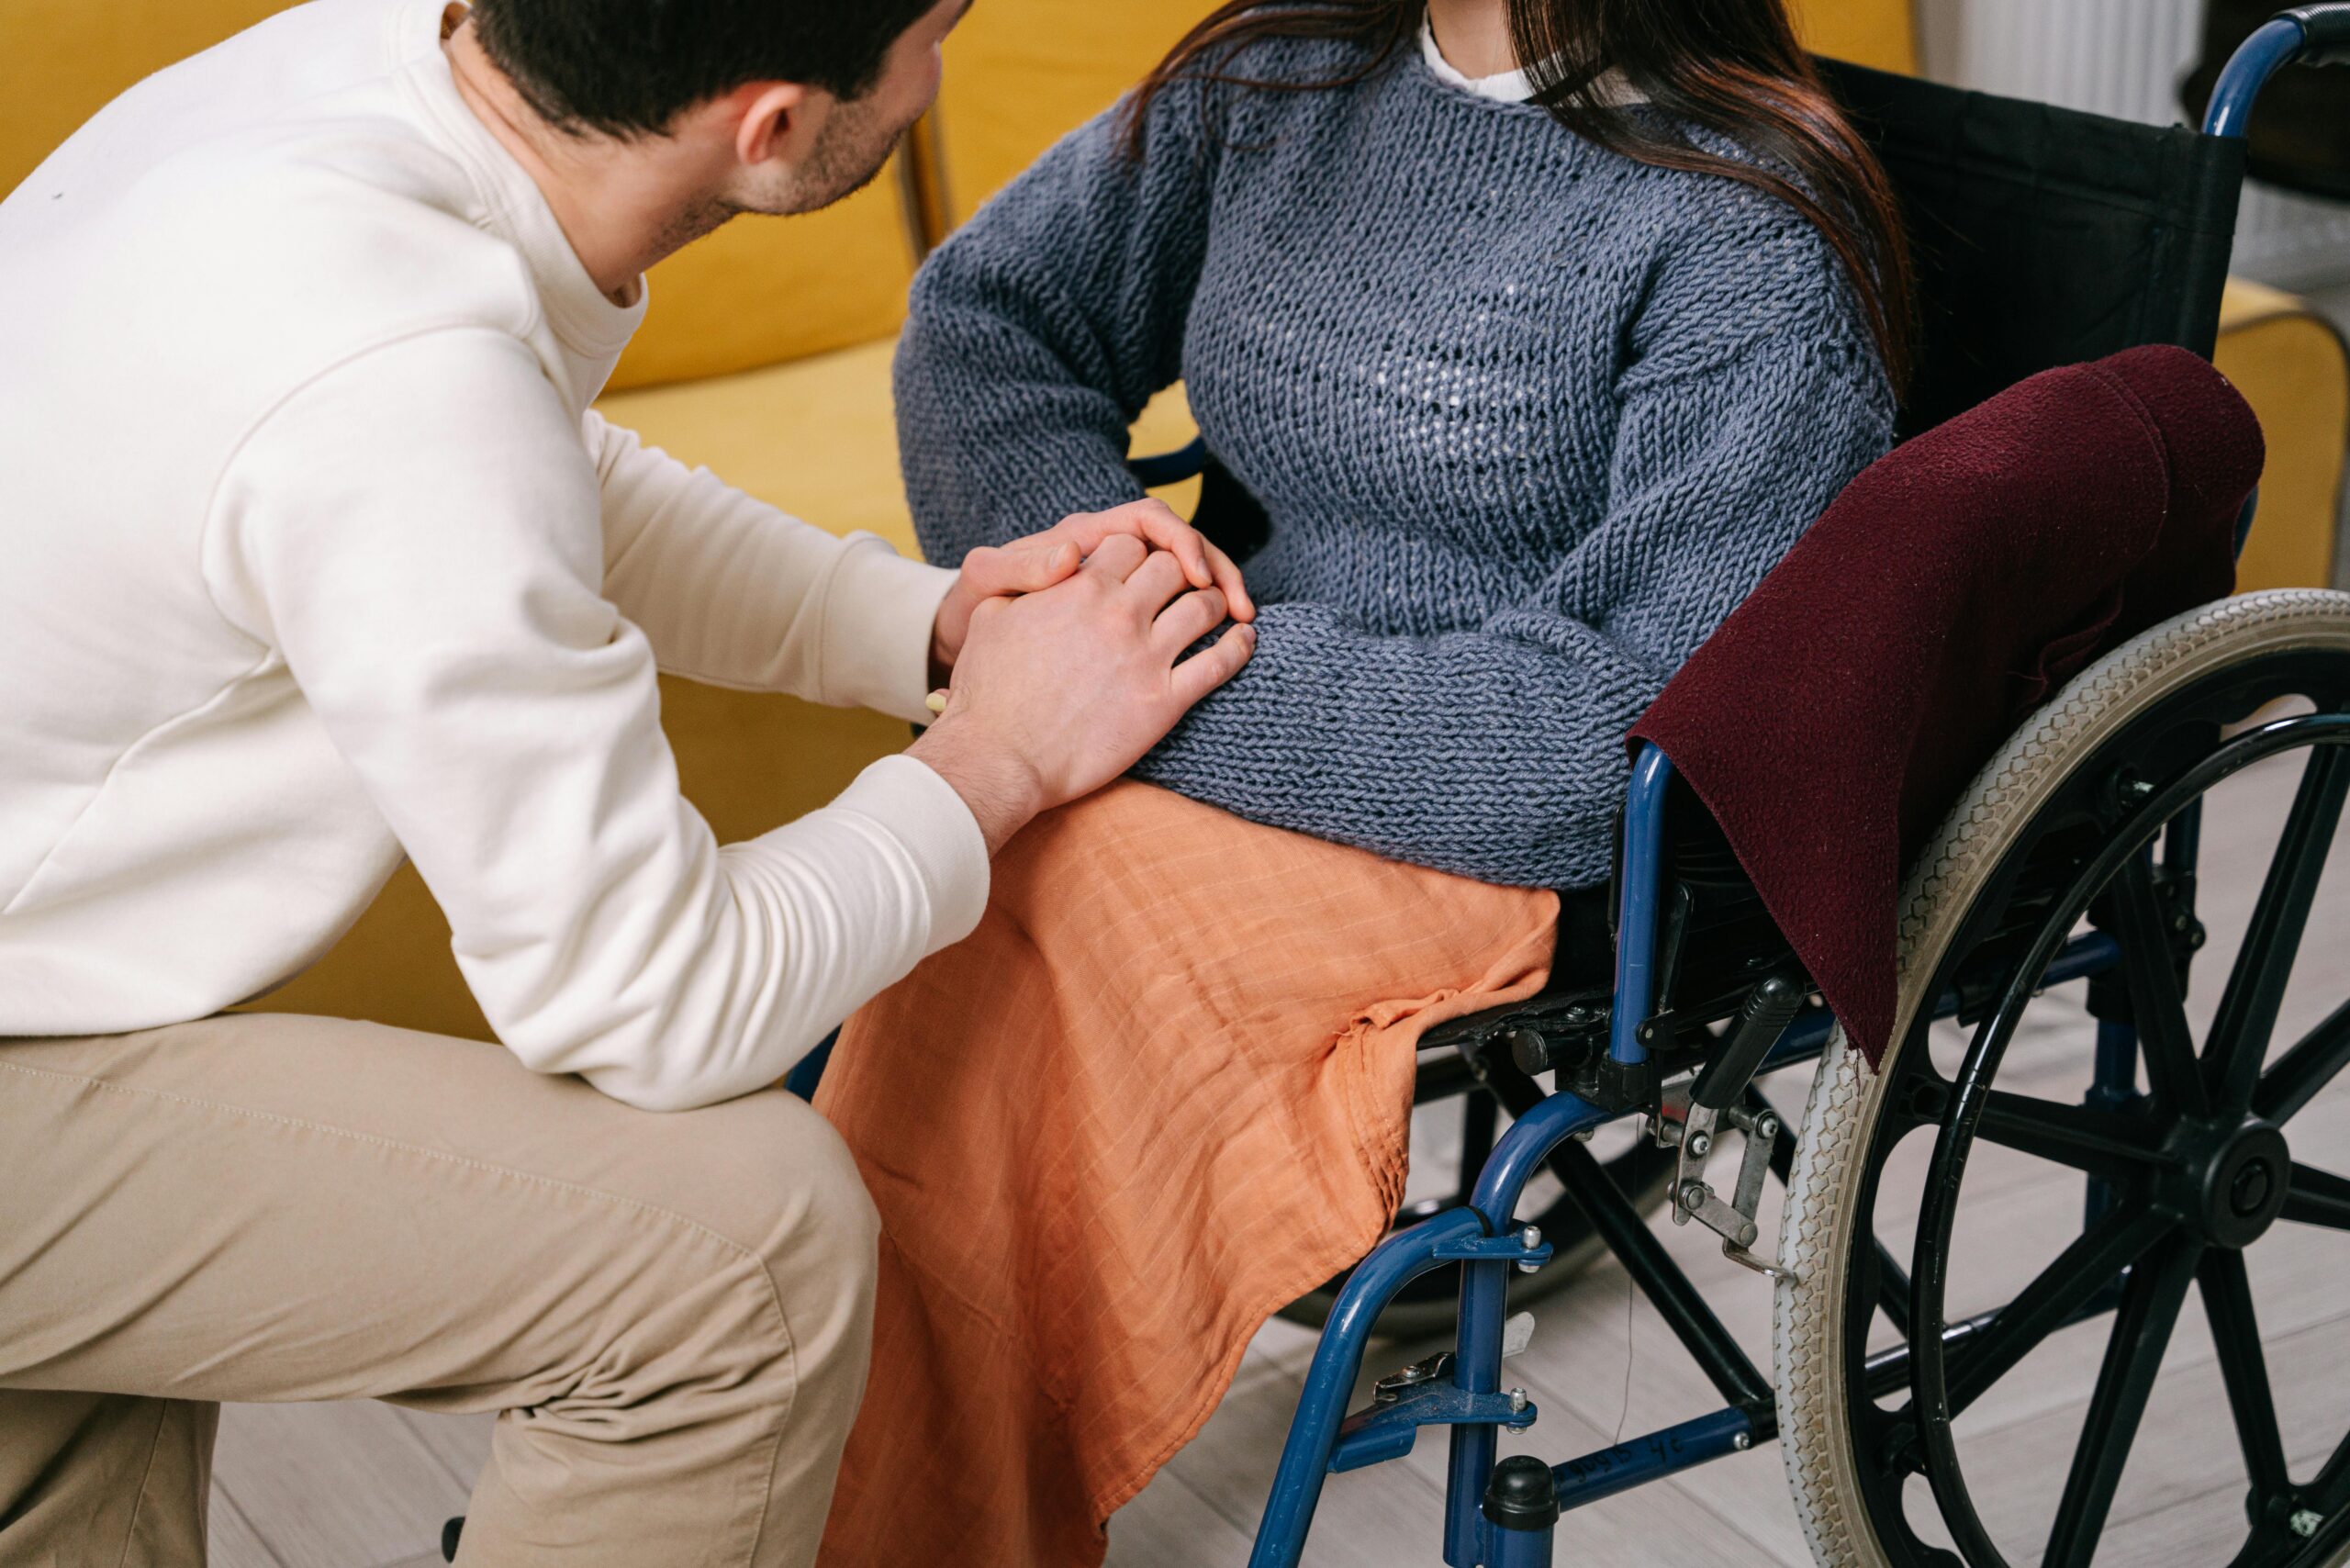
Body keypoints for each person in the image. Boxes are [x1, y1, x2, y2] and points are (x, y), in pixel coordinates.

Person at [0, 0, 1255, 1562]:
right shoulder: (403, 387)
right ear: (777, 126)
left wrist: (931, 622)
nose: (941, 75)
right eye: (939, 35)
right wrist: (996, 759)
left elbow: (526, 469)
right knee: (746, 1252)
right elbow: (649, 1006)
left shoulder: (359, 74)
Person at [812, 0, 1908, 1562]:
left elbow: (1598, 743)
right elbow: (990, 322)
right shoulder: (1276, 75)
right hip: (1241, 696)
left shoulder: (1742, 232)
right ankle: (806, 1460)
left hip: (1490, 807)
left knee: (1047, 880)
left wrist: (1142, 684)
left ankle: (905, 1513)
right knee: (947, 862)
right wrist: (1103, 594)